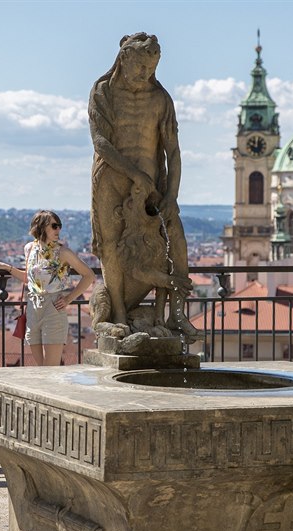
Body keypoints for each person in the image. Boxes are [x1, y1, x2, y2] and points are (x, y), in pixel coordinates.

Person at [88, 32, 197, 336]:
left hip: (153, 186)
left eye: (151, 68)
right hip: (111, 179)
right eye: (140, 67)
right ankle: (119, 314)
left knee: (176, 239)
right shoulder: (103, 92)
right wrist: (135, 174)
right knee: (110, 244)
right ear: (124, 59)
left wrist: (171, 196)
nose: (145, 74)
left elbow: (173, 152)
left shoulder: (160, 99)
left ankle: (176, 314)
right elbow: (101, 143)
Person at [0, 211, 95, 366]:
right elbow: (28, 279)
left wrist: (69, 298)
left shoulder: (63, 252)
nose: (58, 230)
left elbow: (88, 275)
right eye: (54, 226)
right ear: (41, 227)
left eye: (59, 226)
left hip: (53, 308)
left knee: (51, 368)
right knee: (40, 368)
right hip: (33, 308)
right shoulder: (29, 248)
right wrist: (7, 268)